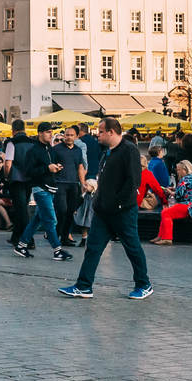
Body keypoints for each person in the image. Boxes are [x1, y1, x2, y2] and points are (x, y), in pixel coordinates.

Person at [59, 117, 154, 300]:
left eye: (101, 132)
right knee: (93, 247)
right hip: (103, 211)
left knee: (132, 247)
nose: (98, 135)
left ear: (111, 132)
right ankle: (84, 286)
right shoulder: (107, 152)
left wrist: (119, 203)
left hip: (122, 210)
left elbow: (133, 181)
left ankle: (144, 284)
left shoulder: (129, 150)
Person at [14, 122, 70, 261]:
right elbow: (29, 171)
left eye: (51, 132)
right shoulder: (33, 151)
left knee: (37, 220)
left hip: (50, 188)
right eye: (47, 132)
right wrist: (47, 168)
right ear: (40, 133)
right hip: (40, 189)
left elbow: (49, 166)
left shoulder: (50, 149)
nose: (50, 134)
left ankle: (21, 245)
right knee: (51, 220)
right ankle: (57, 250)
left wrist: (56, 167)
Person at [153, 160, 192, 245]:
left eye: (178, 170)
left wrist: (169, 192)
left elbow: (179, 195)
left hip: (189, 205)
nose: (177, 172)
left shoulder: (185, 179)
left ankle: (166, 238)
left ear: (185, 169)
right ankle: (161, 236)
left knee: (166, 213)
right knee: (165, 212)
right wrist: (175, 190)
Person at [1, 119, 35, 251]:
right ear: (24, 129)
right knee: (21, 207)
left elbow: (8, 163)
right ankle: (16, 236)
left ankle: (28, 240)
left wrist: (6, 176)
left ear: (13, 130)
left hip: (16, 179)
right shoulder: (32, 142)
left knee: (21, 210)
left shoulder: (11, 143)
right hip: (29, 179)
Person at [50, 127, 87, 247]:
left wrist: (83, 183)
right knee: (62, 210)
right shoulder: (56, 149)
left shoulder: (78, 150)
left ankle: (64, 237)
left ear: (76, 137)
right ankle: (56, 234)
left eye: (72, 135)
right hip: (60, 183)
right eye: (67, 135)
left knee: (71, 211)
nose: (69, 137)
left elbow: (80, 167)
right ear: (64, 136)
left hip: (73, 184)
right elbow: (50, 165)